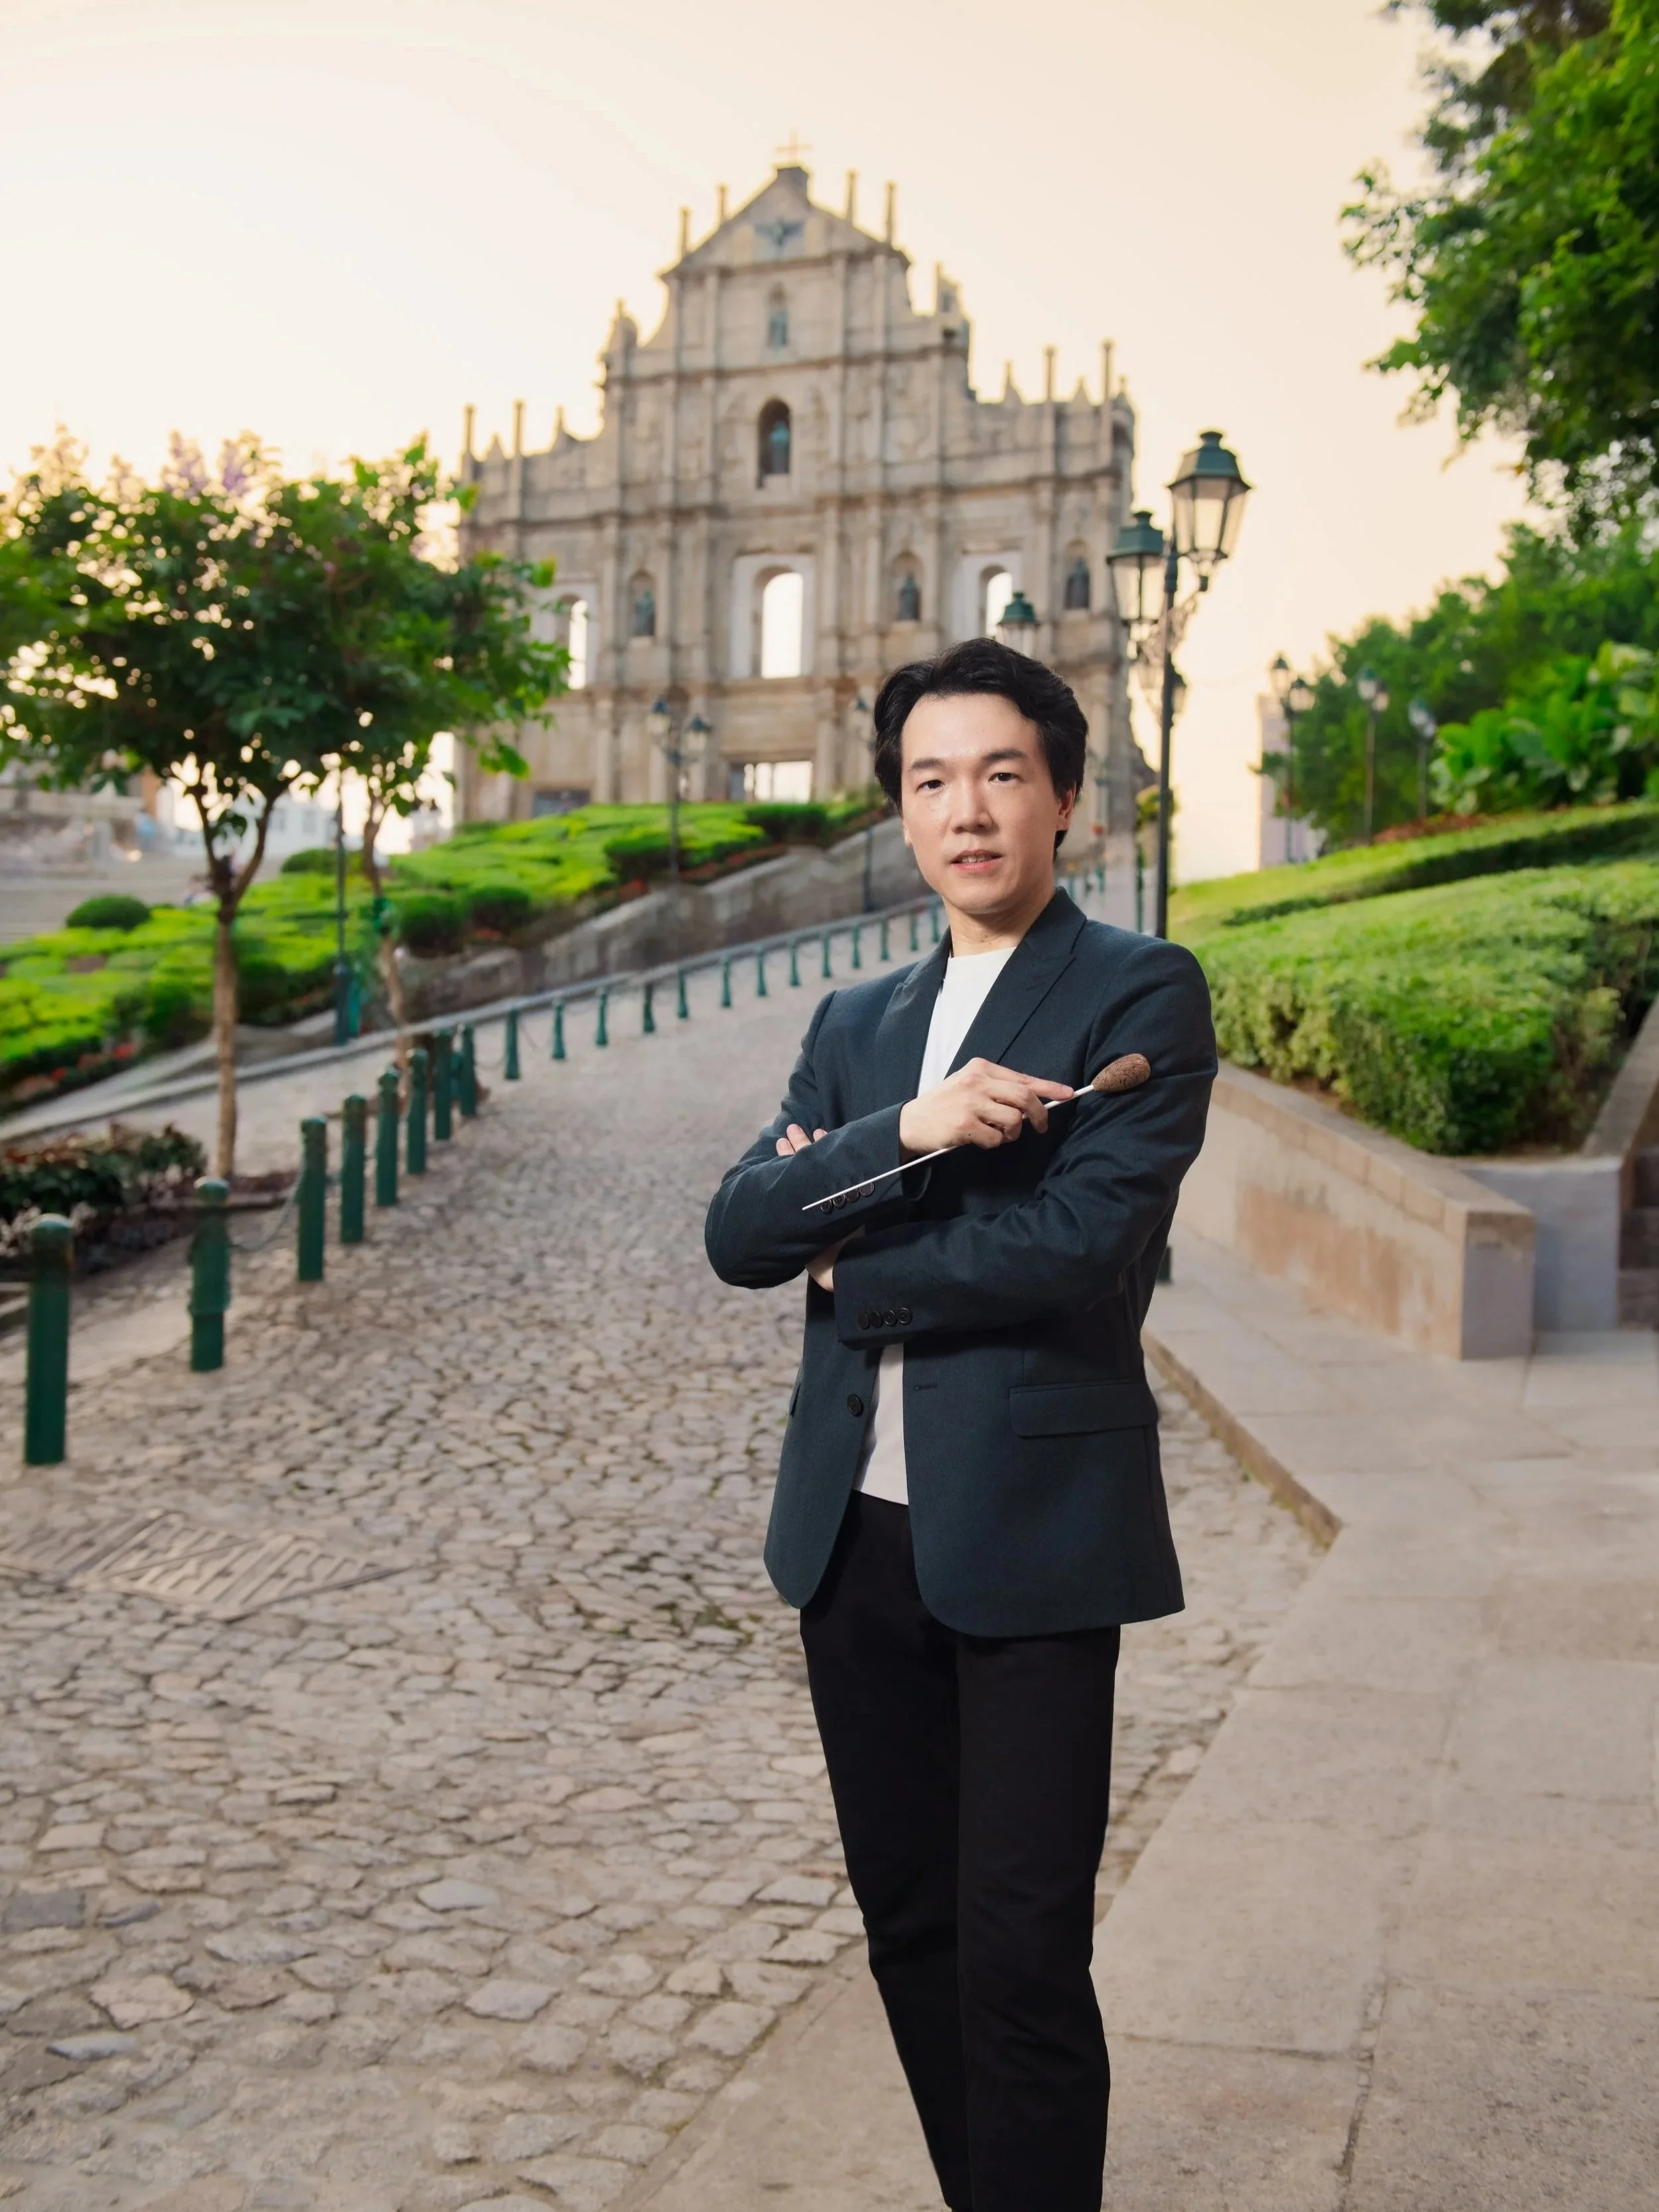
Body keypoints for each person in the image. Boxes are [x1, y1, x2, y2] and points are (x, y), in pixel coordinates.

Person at [703, 637, 1216, 2212]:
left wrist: (853, 1256)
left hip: (1035, 1544)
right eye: (932, 780)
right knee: (910, 1928)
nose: (967, 809)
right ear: (902, 814)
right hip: (849, 1544)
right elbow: (738, 1228)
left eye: (1002, 772)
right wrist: (906, 1129)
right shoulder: (858, 1021)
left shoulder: (1138, 989)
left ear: (1063, 796)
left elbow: (1077, 1244)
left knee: (1019, 1950)